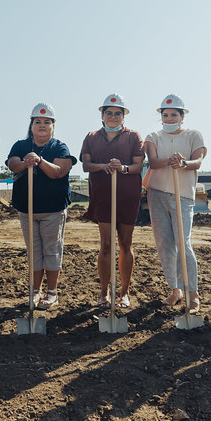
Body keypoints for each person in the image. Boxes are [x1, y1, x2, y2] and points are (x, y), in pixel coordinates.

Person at [6, 103, 76, 310]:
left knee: (52, 251)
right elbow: (12, 164)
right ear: (31, 125)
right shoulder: (20, 145)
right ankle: (35, 291)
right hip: (27, 210)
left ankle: (52, 292)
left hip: (52, 210)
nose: (42, 125)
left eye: (47, 122)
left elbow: (58, 171)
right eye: (38, 122)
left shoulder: (60, 147)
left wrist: (40, 161)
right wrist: (25, 162)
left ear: (53, 126)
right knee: (34, 252)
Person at [80, 94, 145, 308]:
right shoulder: (91, 137)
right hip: (102, 196)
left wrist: (123, 168)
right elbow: (86, 166)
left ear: (124, 116)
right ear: (102, 115)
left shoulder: (133, 137)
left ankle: (124, 292)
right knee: (106, 245)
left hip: (127, 196)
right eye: (109, 113)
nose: (113, 117)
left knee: (125, 243)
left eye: (118, 113)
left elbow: (137, 167)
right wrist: (103, 166)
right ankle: (104, 293)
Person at [144, 94, 206, 310]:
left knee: (183, 242)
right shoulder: (153, 136)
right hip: (157, 193)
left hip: (183, 196)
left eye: (173, 115)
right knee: (165, 244)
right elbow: (152, 161)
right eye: (165, 115)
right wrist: (169, 161)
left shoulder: (193, 135)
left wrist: (184, 163)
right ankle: (175, 289)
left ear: (182, 116)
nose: (169, 119)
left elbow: (197, 161)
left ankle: (193, 292)